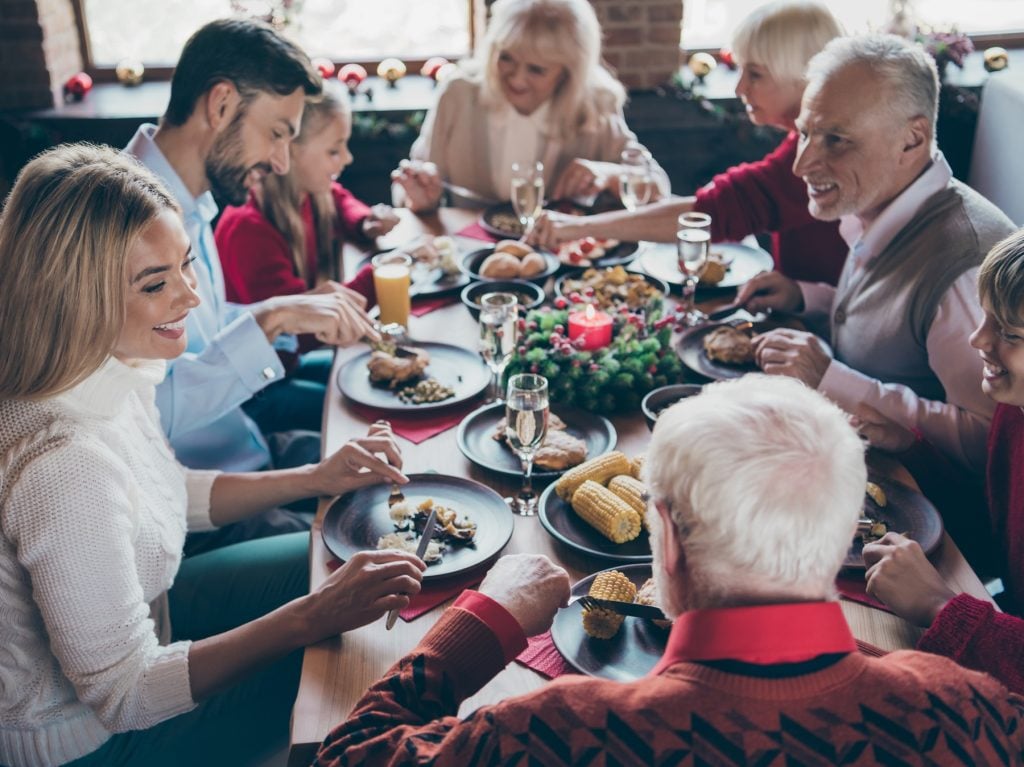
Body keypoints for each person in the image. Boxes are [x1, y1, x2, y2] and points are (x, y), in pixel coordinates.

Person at [314, 375, 1024, 766]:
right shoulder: (977, 713)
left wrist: (485, 618)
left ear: (669, 545)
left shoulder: (551, 734)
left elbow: (347, 757)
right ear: (843, 530)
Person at [0, 144, 425, 767]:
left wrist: (317, 476)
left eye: (186, 266)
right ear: (73, 296)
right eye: (156, 283)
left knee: (339, 553)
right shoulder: (62, 464)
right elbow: (126, 693)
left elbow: (169, 492)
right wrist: (314, 616)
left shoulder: (112, 366)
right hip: (90, 738)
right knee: (354, 678)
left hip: (157, 613)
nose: (191, 298)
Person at [735, 34, 1015, 476]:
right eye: (806, 132)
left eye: (836, 139)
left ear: (911, 140)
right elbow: (896, 334)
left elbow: (987, 440)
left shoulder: (964, 269)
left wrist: (830, 379)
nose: (802, 164)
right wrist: (808, 299)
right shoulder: (882, 200)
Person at [125, 19, 376, 484]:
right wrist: (272, 319)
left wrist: (288, 312)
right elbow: (145, 414)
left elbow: (202, 337)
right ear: (220, 104)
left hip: (249, 445)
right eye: (277, 133)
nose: (281, 161)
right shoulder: (121, 226)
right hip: (199, 502)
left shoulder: (191, 201)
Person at [529, 0, 848, 286]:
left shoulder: (814, 160)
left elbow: (705, 215)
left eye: (755, 74)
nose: (739, 88)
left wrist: (575, 228)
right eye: (740, 70)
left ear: (801, 75)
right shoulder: (805, 143)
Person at [858, 228, 1024, 695]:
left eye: (1009, 333)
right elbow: (996, 538)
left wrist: (939, 605)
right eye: (985, 318)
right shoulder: (1015, 412)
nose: (978, 339)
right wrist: (913, 453)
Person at [214, 81, 400, 431]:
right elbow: (302, 331)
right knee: (376, 408)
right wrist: (383, 273)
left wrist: (365, 222)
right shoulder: (249, 229)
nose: (347, 159)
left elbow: (341, 200)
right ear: (291, 151)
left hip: (287, 365)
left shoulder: (310, 194)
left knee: (379, 376)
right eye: (334, 150)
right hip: (253, 394)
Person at [391, 0, 669, 211]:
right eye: (506, 57)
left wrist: (609, 174)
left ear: (567, 71)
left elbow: (658, 187)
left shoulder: (596, 103)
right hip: (471, 265)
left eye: (536, 69)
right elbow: (408, 192)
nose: (517, 78)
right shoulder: (459, 93)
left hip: (564, 267)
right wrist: (418, 197)